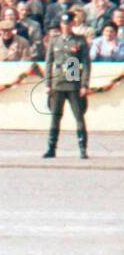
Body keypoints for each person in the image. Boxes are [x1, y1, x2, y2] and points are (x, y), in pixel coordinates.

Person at [43, 11, 90, 159]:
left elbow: (86, 64)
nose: (66, 26)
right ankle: (51, 148)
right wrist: (48, 83)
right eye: (63, 24)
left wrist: (84, 84)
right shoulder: (54, 40)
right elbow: (48, 63)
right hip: (57, 83)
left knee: (79, 116)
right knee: (55, 117)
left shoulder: (80, 41)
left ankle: (82, 148)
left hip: (74, 84)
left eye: (68, 23)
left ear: (72, 24)